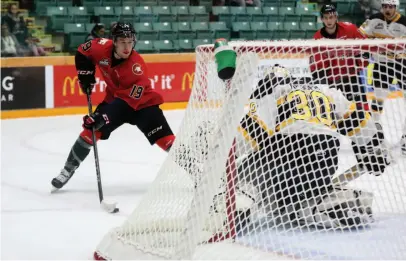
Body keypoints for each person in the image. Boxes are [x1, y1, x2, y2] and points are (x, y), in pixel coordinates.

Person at [227, 65, 391, 230]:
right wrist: (374, 149)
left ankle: (241, 203)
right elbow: (361, 120)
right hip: (325, 165)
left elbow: (251, 135)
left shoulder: (274, 92)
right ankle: (325, 203)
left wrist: (226, 158)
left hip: (290, 159)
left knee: (247, 169)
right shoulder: (326, 91)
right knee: (294, 200)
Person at [51, 22, 175, 191]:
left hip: (142, 106)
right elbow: (82, 51)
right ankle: (67, 170)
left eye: (130, 42)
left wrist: (102, 117)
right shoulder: (100, 47)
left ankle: (198, 171)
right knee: (89, 132)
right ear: (114, 41)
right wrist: (85, 75)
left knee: (167, 142)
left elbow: (127, 104)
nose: (127, 47)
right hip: (114, 100)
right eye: (123, 42)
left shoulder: (137, 67)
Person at [359, 0, 406, 155]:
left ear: (395, 8)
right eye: (385, 6)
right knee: (378, 100)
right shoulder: (374, 19)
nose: (387, 9)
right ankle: (376, 134)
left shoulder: (404, 22)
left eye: (390, 7)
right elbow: (360, 35)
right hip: (382, 64)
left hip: (402, 63)